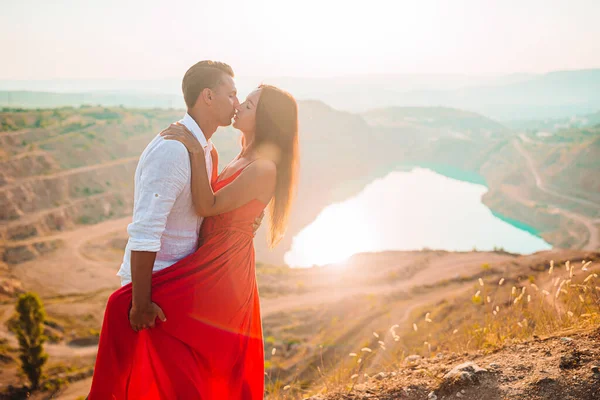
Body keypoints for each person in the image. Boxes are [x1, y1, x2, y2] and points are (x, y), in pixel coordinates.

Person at [87, 59, 299, 398]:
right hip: (208, 262)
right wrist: (201, 152)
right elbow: (211, 203)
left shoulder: (252, 164)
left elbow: (208, 205)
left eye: (246, 103)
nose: (238, 105)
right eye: (235, 97)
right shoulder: (231, 156)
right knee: (154, 333)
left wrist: (195, 150)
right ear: (207, 96)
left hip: (223, 269)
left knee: (144, 321)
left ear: (265, 118)